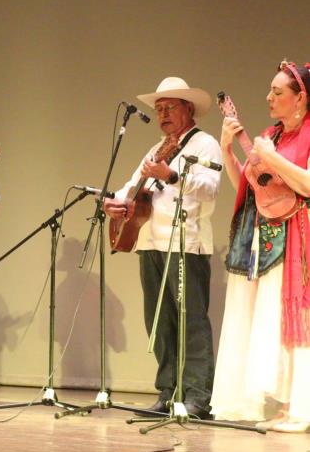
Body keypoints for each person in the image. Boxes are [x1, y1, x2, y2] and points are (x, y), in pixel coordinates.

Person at [103, 78, 222, 419]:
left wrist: (172, 176)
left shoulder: (205, 144)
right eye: (158, 110)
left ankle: (197, 396)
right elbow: (132, 184)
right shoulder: (158, 147)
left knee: (191, 322)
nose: (163, 115)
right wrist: (118, 203)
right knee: (159, 321)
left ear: (188, 109)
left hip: (187, 243)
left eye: (170, 108)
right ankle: (168, 393)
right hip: (150, 241)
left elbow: (210, 188)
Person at [211, 61, 310, 432]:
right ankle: (283, 406)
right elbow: (255, 188)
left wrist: (271, 158)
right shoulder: (272, 134)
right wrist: (227, 151)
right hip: (264, 235)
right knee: (270, 320)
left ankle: (300, 407)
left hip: (298, 237)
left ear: (301, 98)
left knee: (294, 321)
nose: (269, 97)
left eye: (278, 92)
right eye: (269, 90)